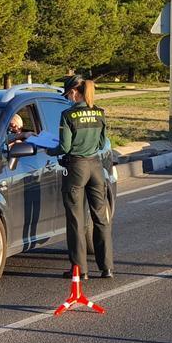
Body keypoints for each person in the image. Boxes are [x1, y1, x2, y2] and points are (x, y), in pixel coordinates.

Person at [48, 75, 114, 279]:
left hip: (76, 168)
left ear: (74, 92)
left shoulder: (68, 115)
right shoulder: (100, 112)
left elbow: (65, 147)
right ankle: (107, 268)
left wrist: (49, 150)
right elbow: (103, 144)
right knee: (101, 218)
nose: (68, 97)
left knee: (76, 220)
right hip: (96, 167)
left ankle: (80, 270)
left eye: (68, 94)